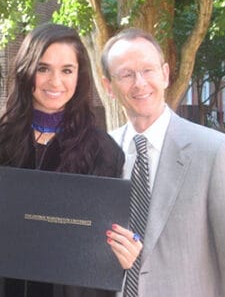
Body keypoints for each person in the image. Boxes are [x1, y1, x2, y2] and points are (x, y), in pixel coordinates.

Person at [0, 23, 142, 297]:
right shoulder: (3, 142)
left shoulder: (101, 151)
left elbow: (105, 237)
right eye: (43, 68)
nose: (55, 81)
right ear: (27, 71)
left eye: (67, 70)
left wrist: (125, 249)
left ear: (80, 77)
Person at [101, 28, 225, 297]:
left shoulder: (214, 151)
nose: (140, 83)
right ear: (108, 86)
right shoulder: (101, 152)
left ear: (166, 75)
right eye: (126, 74)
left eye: (148, 70)